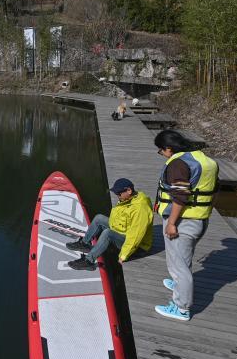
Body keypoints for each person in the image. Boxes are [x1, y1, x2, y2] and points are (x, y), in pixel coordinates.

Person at [152, 129, 219, 322]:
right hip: (199, 219)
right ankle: (178, 285)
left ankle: (181, 308)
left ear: (168, 149)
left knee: (179, 266)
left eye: (160, 150)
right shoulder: (204, 159)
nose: (161, 154)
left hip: (183, 221)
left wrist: (172, 223)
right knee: (182, 259)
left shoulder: (178, 164)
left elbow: (180, 196)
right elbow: (215, 190)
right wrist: (204, 213)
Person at [66, 178, 153, 271]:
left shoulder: (140, 209)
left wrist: (123, 256)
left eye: (119, 194)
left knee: (108, 234)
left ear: (129, 190)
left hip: (137, 247)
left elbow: (135, 236)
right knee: (99, 218)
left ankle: (88, 261)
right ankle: (84, 243)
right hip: (124, 231)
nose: (117, 196)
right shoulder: (130, 198)